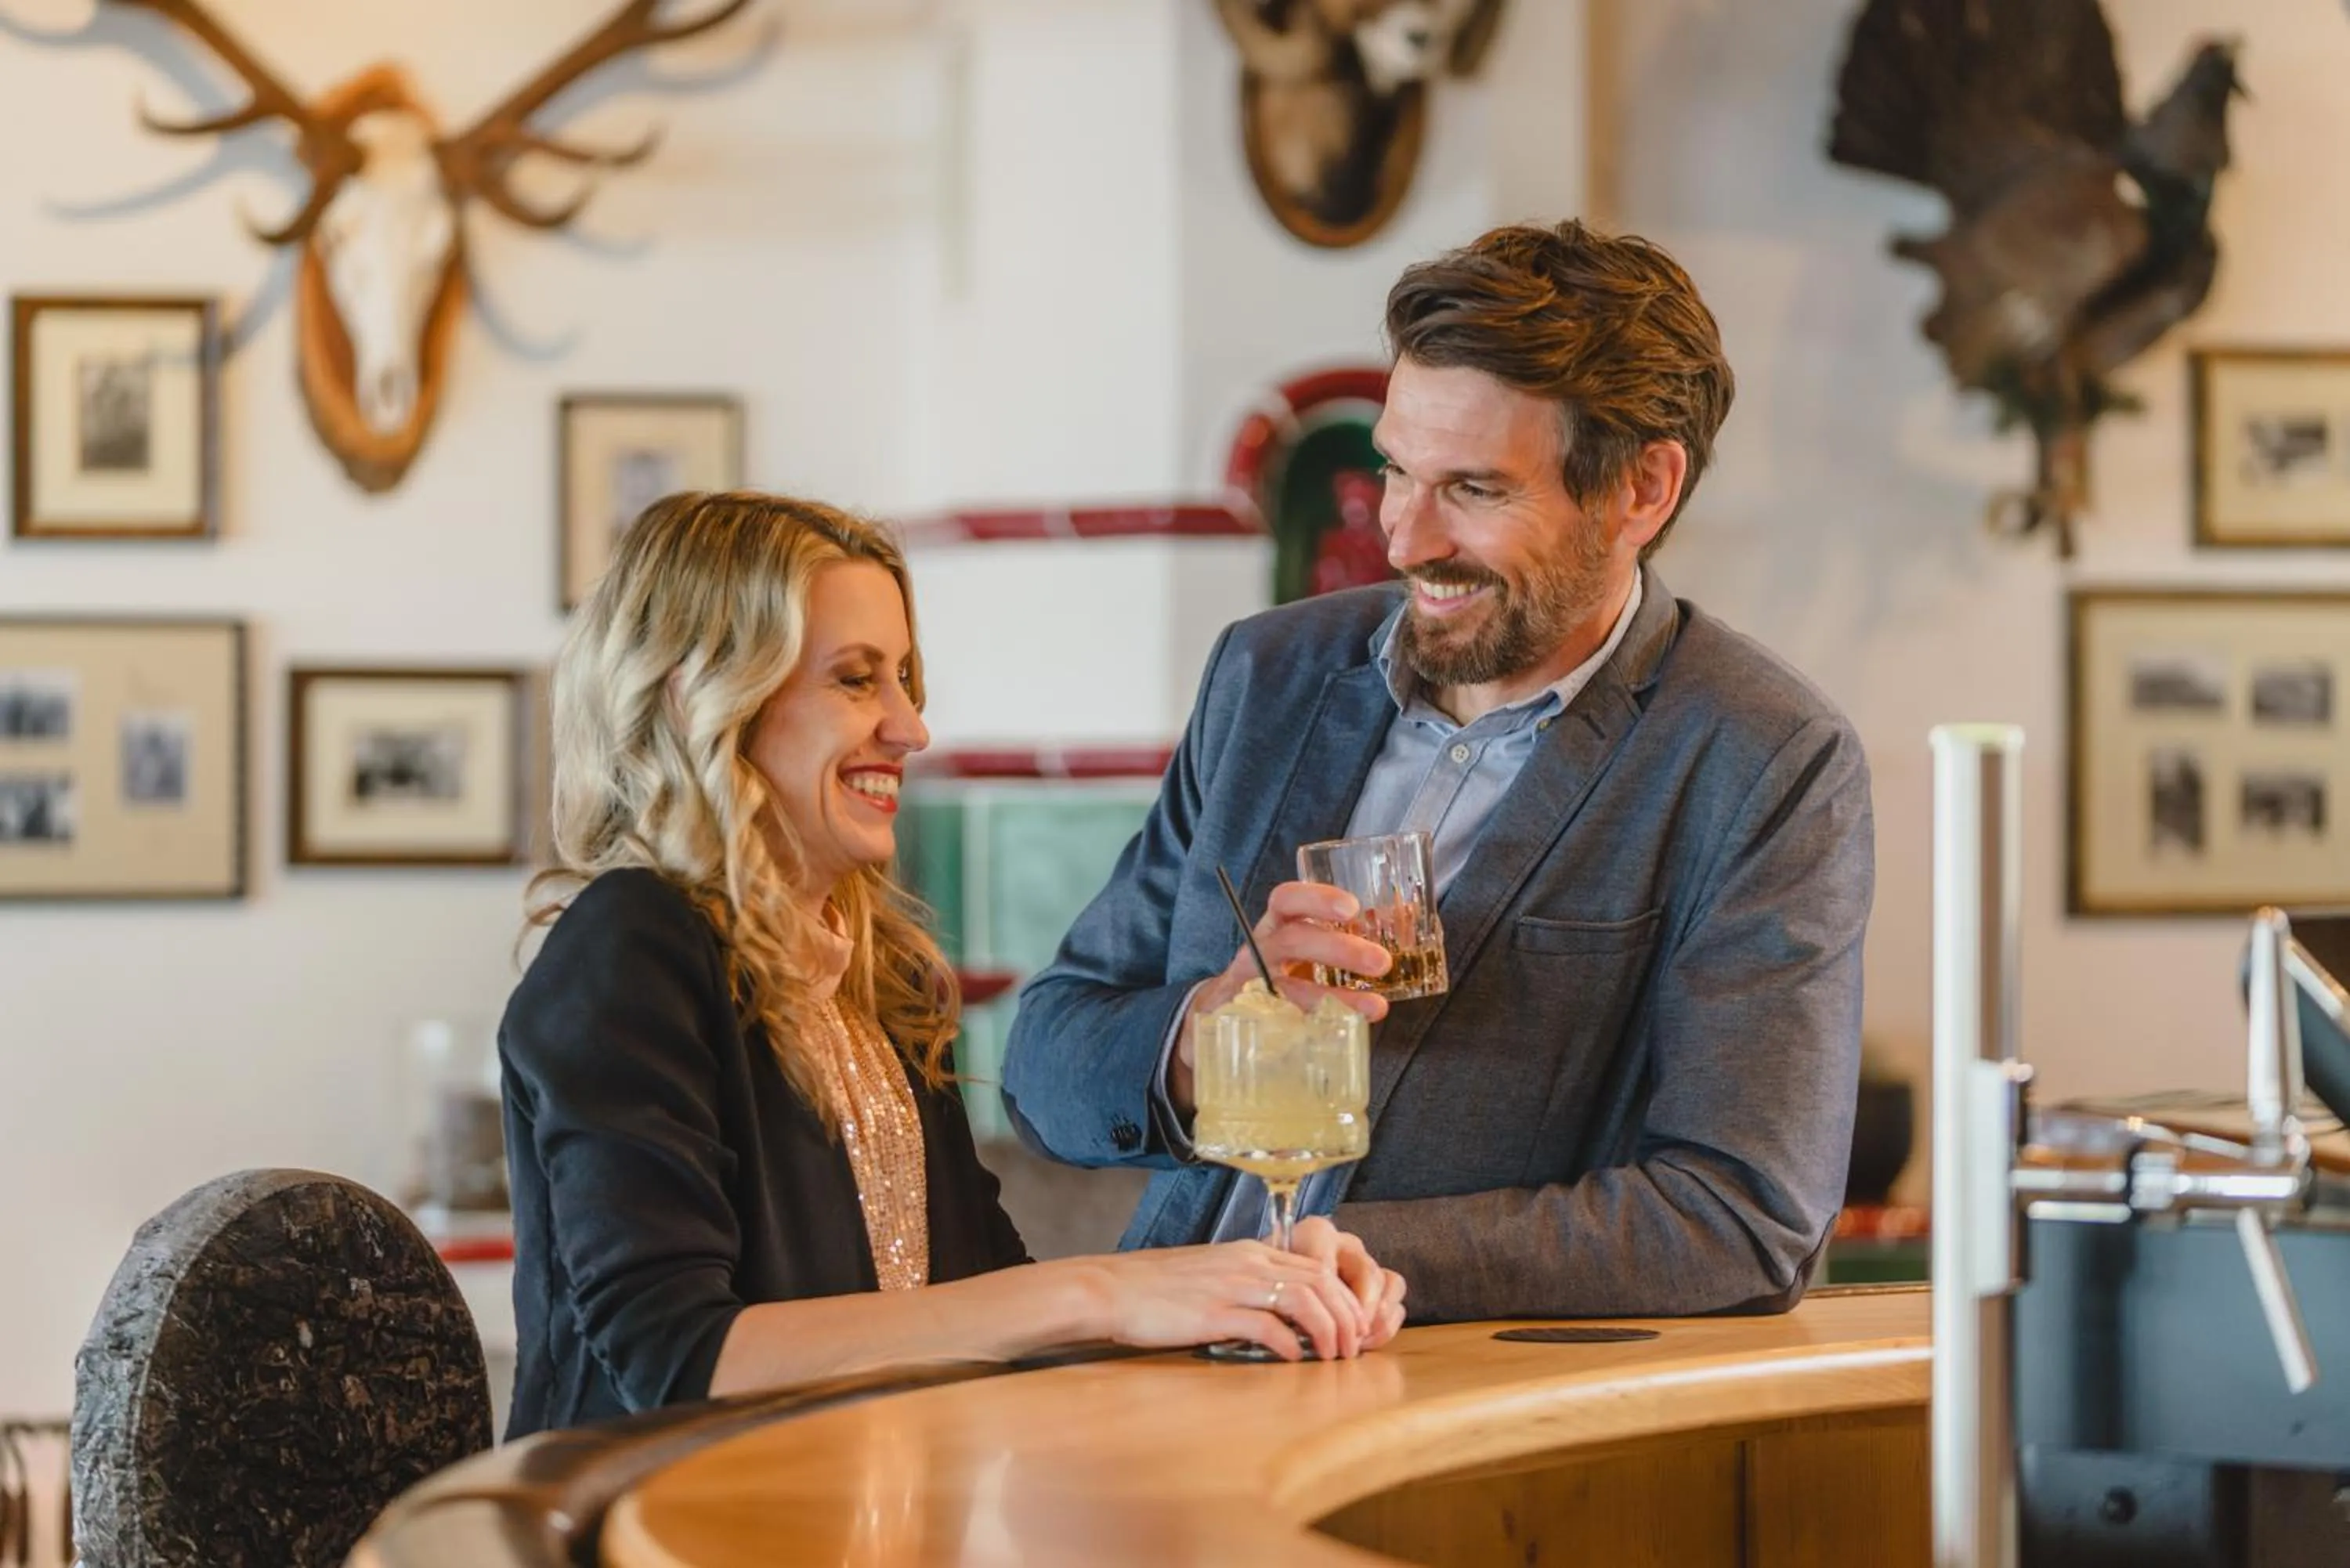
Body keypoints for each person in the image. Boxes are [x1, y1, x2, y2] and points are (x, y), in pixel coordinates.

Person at [1001, 220, 1875, 1324]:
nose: (1403, 537)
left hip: (1463, 1434)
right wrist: (1200, 1044)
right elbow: (1043, 1062)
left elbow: (1741, 1217)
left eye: (1474, 488)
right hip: (1154, 1380)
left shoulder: (1764, 757)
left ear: (1643, 489)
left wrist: (1337, 1256)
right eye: (1395, 470)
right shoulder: (1268, 675)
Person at [498, 492, 1407, 1438]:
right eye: (855, 681)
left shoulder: (881, 979)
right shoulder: (632, 943)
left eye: (904, 680)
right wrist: (1111, 1288)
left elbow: (984, 1307)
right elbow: (681, 1359)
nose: (909, 728)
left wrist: (1259, 1279)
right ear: (701, 696)